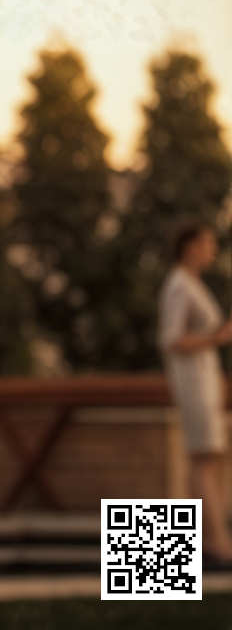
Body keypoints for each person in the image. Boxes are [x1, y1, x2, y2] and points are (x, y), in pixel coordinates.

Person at [159, 224, 232, 566]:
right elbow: (172, 339)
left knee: (206, 458)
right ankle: (217, 542)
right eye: (207, 244)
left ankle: (199, 540)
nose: (212, 251)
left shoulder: (193, 284)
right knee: (203, 458)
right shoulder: (178, 284)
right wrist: (217, 339)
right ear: (190, 246)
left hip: (205, 379)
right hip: (192, 382)